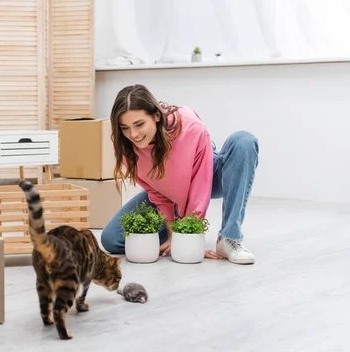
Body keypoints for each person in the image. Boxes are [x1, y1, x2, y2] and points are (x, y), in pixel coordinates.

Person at [101, 84, 259, 264]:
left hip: (206, 174)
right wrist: (172, 235)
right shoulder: (124, 147)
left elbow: (201, 183)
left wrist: (191, 238)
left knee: (243, 141)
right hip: (170, 191)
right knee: (112, 239)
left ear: (156, 116)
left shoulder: (190, 126)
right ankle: (173, 231)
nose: (133, 134)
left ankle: (229, 238)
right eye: (125, 127)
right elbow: (155, 190)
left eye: (139, 124)